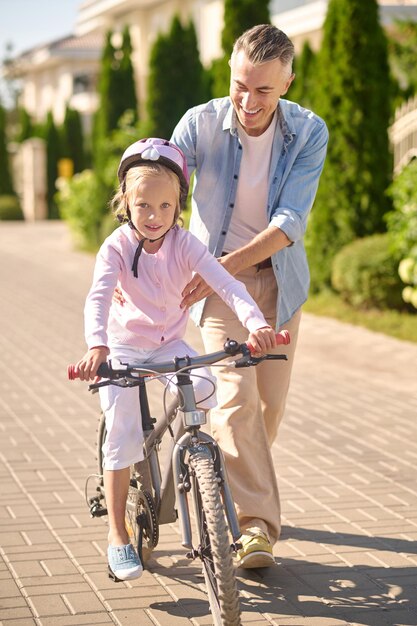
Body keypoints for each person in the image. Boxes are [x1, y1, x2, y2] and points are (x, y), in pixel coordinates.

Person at [75, 137, 277, 581]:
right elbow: (98, 298)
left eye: (165, 207)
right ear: (124, 201)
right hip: (123, 346)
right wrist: (97, 345)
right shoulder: (115, 247)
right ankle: (117, 535)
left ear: (178, 204)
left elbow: (227, 284)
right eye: (143, 205)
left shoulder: (185, 244)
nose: (154, 217)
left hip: (170, 344)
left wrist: (256, 323)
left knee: (205, 391)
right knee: (124, 431)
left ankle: (195, 471)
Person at [170, 24, 329, 568]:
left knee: (268, 407)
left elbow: (290, 222)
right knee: (234, 396)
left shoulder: (308, 132)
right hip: (217, 290)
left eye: (263, 90)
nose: (248, 100)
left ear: (287, 82)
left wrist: (225, 265)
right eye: (241, 84)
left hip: (278, 284)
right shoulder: (199, 124)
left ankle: (227, 482)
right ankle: (255, 527)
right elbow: (163, 180)